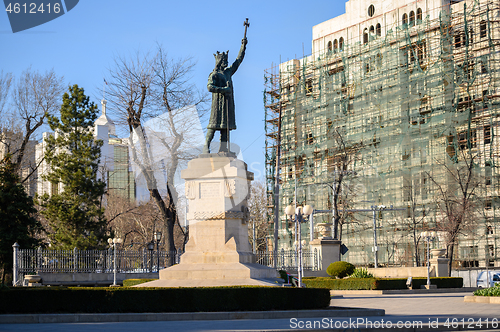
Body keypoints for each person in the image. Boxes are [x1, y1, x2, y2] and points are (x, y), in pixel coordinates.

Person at [203, 37, 247, 154]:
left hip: (227, 104)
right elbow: (209, 87)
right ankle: (205, 147)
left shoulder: (228, 73)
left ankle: (223, 148)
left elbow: (238, 61)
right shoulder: (214, 74)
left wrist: (243, 47)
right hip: (218, 104)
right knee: (213, 125)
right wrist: (224, 89)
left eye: (226, 61)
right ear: (219, 62)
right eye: (223, 61)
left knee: (225, 127)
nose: (226, 63)